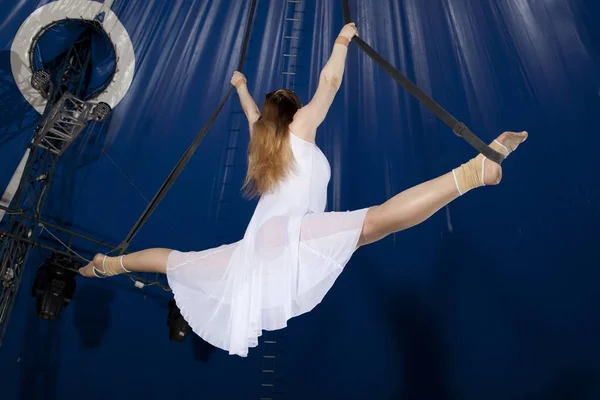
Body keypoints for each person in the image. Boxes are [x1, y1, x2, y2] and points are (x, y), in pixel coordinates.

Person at [80, 22, 527, 356]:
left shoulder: (267, 139)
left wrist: (241, 86)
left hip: (263, 245)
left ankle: (109, 265)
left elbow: (252, 114)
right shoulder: (300, 127)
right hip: (289, 234)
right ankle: (472, 174)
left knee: (177, 262)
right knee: (377, 221)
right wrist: (341, 42)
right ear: (292, 113)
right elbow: (329, 83)